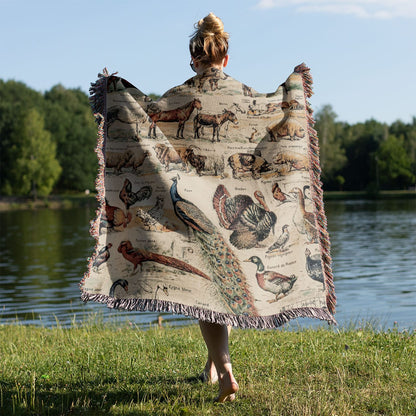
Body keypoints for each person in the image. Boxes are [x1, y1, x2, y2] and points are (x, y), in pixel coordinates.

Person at [187, 13, 238, 403]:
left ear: (195, 59)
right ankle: (210, 366)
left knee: (206, 297)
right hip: (234, 208)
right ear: (225, 57)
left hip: (198, 209)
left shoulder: (183, 95)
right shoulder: (243, 96)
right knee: (224, 292)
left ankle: (225, 373)